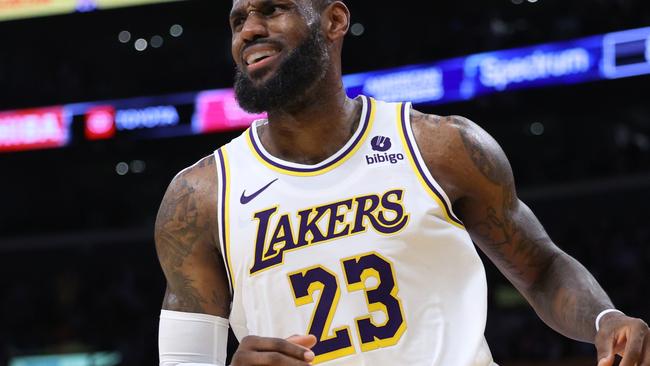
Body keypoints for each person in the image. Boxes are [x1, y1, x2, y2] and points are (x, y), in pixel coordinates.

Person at [155, 1, 650, 365]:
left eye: (272, 10)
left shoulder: (441, 147)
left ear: (334, 20)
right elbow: (184, 361)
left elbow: (540, 268)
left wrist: (605, 322)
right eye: (238, 20)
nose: (250, 30)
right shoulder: (198, 197)